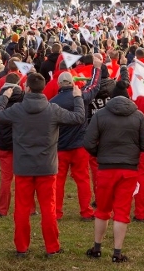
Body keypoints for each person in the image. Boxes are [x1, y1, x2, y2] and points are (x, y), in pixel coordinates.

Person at [0, 72, 85, 258]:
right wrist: (77, 98)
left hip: (24, 167)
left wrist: (4, 97)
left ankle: (22, 247)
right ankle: (52, 247)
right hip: (46, 167)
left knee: (22, 208)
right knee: (48, 208)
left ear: (26, 88)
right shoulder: (52, 109)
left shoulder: (18, 109)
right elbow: (79, 117)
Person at [83, 88, 144, 263]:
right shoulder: (139, 116)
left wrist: (100, 153)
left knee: (102, 209)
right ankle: (117, 252)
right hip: (128, 169)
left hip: (106, 168)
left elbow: (88, 142)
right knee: (122, 210)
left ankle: (97, 248)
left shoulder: (100, 115)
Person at [50, 59, 101, 221]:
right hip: (79, 146)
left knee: (58, 181)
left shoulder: (52, 103)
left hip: (60, 147)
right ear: (73, 83)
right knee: (83, 179)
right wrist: (97, 69)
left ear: (58, 84)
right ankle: (86, 211)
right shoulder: (81, 97)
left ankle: (56, 212)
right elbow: (94, 86)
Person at [0, 73, 25, 217]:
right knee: (24, 177)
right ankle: (29, 207)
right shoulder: (23, 97)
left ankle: (2, 209)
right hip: (21, 142)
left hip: (5, 141)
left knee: (6, 178)